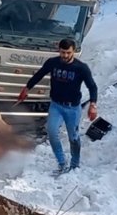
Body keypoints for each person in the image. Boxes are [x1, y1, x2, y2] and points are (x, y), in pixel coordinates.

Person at [18, 38, 98, 174]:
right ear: (58, 50)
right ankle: (62, 162)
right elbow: (39, 75)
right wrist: (27, 88)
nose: (65, 56)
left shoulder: (81, 68)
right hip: (56, 105)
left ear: (73, 51)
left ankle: (75, 164)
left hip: (72, 108)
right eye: (62, 52)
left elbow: (92, 87)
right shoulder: (53, 63)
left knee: (73, 137)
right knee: (52, 132)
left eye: (68, 53)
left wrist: (93, 105)